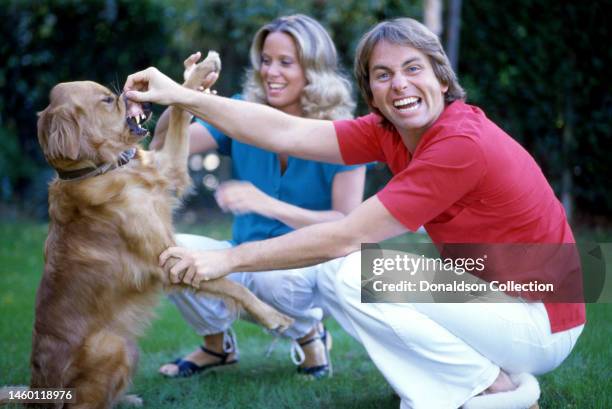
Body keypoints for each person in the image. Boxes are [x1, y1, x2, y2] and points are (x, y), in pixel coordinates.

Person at [125, 17, 585, 409]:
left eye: (412, 68)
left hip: (543, 315)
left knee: (355, 271)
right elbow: (287, 132)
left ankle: (491, 389)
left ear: (442, 79)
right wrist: (186, 97)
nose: (399, 84)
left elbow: (346, 235)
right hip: (509, 293)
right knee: (374, 270)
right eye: (382, 74)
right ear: (371, 90)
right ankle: (467, 381)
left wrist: (229, 259)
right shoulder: (391, 130)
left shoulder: (459, 143)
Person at [150, 14, 366, 379]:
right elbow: (160, 147)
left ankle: (310, 333)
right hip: (240, 258)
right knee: (167, 253)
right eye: (266, 60)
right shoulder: (241, 110)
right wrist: (185, 96)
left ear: (314, 70)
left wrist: (268, 205)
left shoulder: (345, 134)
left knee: (273, 279)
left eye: (286, 62)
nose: (271, 72)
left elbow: (347, 225)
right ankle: (217, 347)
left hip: (305, 269)